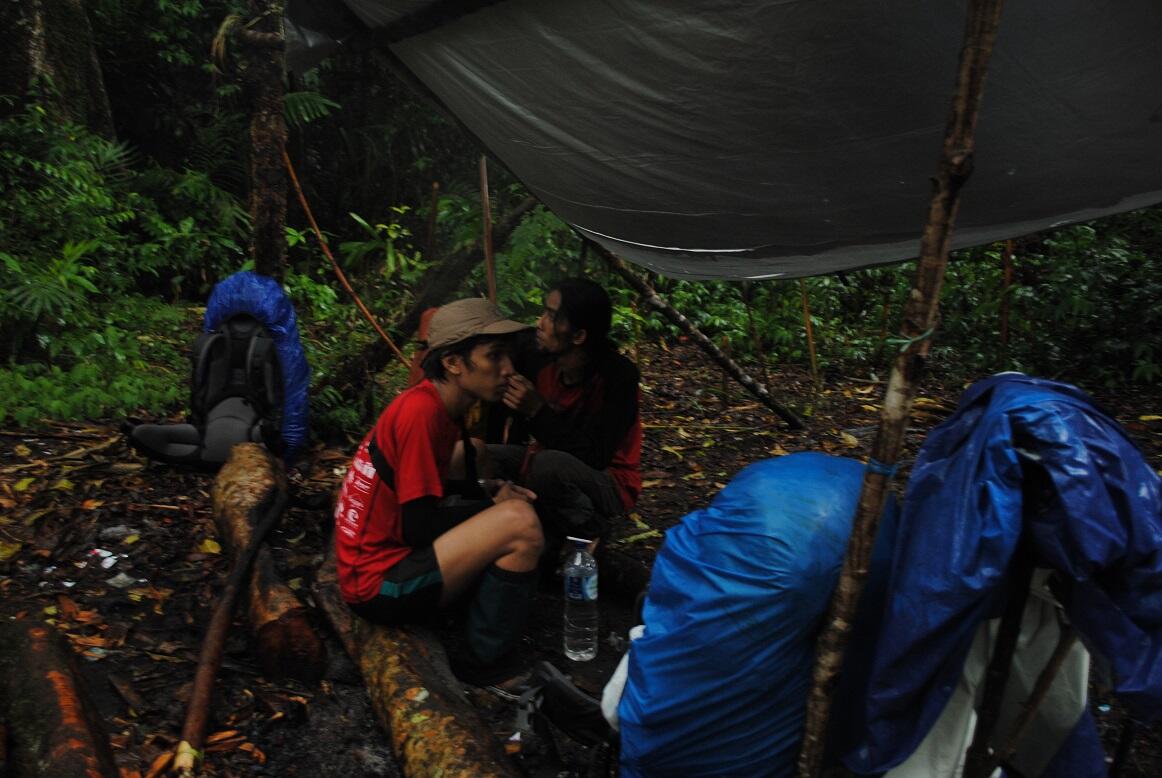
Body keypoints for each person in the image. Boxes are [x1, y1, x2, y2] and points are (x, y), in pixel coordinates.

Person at [332, 297, 544, 691]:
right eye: (494, 356)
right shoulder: (421, 415)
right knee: (522, 525)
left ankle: (474, 602)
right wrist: (492, 507)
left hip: (375, 559)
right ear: (452, 362)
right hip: (377, 585)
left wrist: (487, 490)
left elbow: (429, 488)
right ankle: (484, 663)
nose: (508, 369)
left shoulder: (433, 402)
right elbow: (418, 527)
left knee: (475, 454)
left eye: (508, 356)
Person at [487, 277, 642, 554]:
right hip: (542, 461)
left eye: (552, 316)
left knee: (548, 465)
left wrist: (537, 412)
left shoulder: (618, 377)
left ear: (579, 336)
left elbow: (596, 456)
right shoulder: (539, 357)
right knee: (482, 455)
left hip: (609, 481)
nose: (540, 323)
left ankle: (589, 531)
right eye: (544, 312)